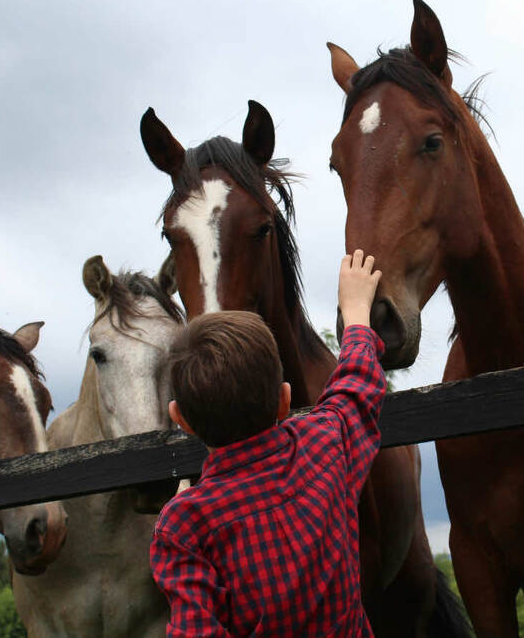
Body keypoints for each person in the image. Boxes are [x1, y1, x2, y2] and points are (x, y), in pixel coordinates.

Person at [150, 249, 386, 637]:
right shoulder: (324, 447)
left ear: (181, 420)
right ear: (284, 400)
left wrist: (182, 507)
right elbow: (356, 389)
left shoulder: (184, 526)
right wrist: (356, 313)